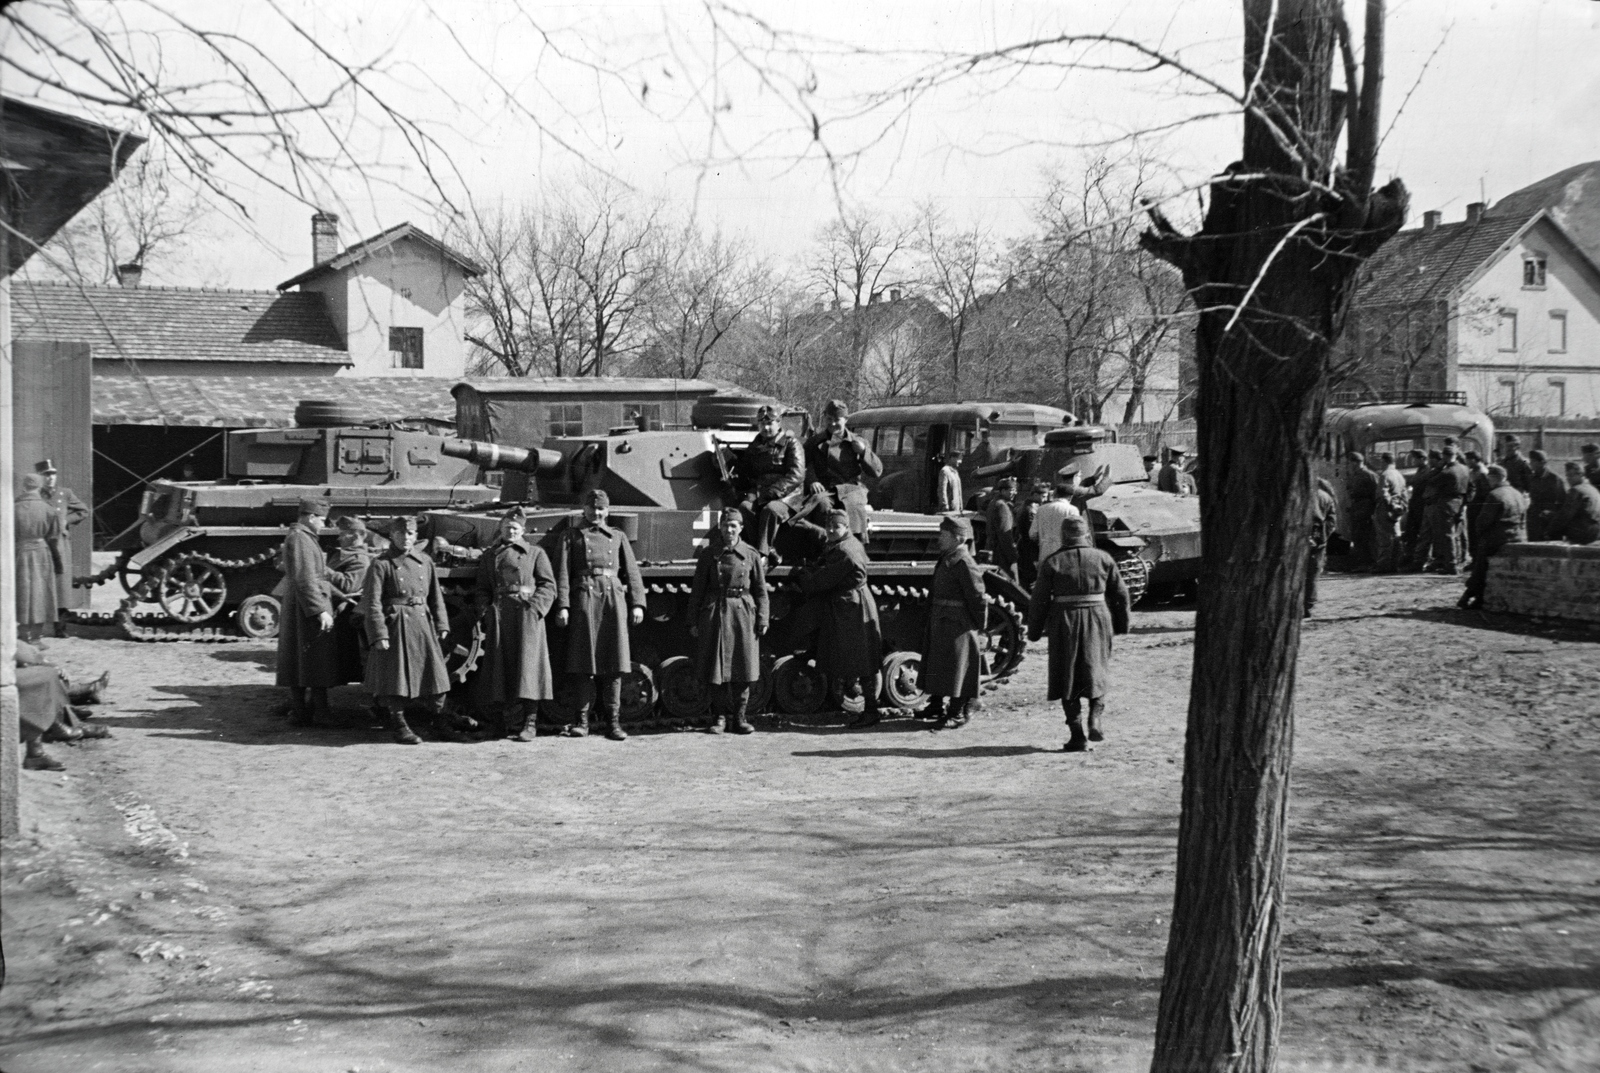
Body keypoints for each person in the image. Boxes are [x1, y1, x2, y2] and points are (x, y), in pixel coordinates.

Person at [1027, 515, 1130, 752]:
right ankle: (1095, 717)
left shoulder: (1053, 562)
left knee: (1067, 675)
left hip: (1065, 620)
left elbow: (1039, 601)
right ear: (1086, 535)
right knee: (1097, 668)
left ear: (1064, 536)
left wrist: (1034, 631)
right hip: (1097, 617)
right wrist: (1122, 624)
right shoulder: (1103, 558)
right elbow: (1121, 594)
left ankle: (1077, 735)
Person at [553, 488, 647, 741]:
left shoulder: (617, 536)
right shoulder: (570, 536)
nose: (596, 513)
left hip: (613, 601)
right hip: (584, 599)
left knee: (614, 664)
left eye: (601, 509)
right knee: (583, 663)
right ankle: (581, 721)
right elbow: (562, 573)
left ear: (607, 510)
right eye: (592, 508)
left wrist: (637, 602)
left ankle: (613, 722)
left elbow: (632, 572)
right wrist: (563, 605)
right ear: (584, 509)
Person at [360, 515, 454, 745]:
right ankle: (399, 723)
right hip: (396, 624)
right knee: (396, 678)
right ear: (392, 535)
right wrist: (378, 633)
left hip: (422, 623)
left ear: (416, 536)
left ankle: (438, 720)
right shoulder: (381, 564)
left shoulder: (424, 561)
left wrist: (442, 624)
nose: (406, 538)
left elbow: (435, 597)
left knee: (437, 677)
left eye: (410, 533)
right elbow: (372, 603)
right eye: (401, 533)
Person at [472, 507, 557, 741]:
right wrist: (485, 611)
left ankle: (530, 723)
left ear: (523, 530)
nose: (511, 531)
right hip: (500, 615)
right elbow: (482, 589)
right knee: (499, 670)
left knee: (529, 669)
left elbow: (548, 585)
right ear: (501, 527)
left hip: (526, 615)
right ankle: (500, 723)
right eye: (507, 526)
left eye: (515, 527)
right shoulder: (491, 556)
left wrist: (536, 609)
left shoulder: (535, 553)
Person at [687, 509, 769, 735]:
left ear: (740, 528)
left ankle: (740, 717)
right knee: (717, 667)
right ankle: (719, 717)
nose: (729, 530)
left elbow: (761, 590)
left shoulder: (750, 554)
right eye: (725, 525)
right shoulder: (710, 554)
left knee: (743, 666)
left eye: (734, 525)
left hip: (743, 612)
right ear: (720, 528)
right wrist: (693, 620)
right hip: (717, 612)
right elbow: (698, 590)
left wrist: (762, 617)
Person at [800, 509, 884, 728]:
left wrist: (804, 575)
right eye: (829, 525)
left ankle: (871, 710)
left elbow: (820, 581)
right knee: (858, 656)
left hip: (852, 607)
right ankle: (868, 707)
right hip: (851, 603)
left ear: (846, 528)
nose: (830, 530)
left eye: (836, 526)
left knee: (860, 658)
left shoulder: (845, 551)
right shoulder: (849, 543)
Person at [275, 498, 341, 726]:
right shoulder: (301, 539)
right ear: (311, 517)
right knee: (313, 660)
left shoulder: (303, 537)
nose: (323, 524)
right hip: (306, 608)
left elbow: (315, 574)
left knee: (303, 661)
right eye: (321, 519)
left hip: (303, 605)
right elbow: (305, 579)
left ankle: (302, 711)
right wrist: (319, 610)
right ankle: (318, 713)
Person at [922, 515, 986, 730]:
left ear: (958, 539)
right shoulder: (947, 558)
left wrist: (978, 627)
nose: (939, 539)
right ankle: (936, 705)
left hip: (958, 623)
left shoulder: (964, 563)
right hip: (942, 618)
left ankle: (956, 712)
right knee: (939, 662)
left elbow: (978, 597)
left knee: (957, 667)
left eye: (943, 535)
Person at [731, 404, 807, 560]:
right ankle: (761, 549)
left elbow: (797, 474)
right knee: (745, 508)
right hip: (761, 493)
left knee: (771, 510)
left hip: (787, 497)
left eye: (769, 423)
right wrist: (729, 461)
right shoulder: (756, 445)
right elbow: (746, 471)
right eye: (762, 424)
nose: (765, 427)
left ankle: (762, 555)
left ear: (778, 423)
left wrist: (775, 491)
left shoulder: (791, 443)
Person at [803, 399, 883, 539]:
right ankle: (823, 548)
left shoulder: (857, 442)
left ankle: (855, 547)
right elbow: (805, 465)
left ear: (845, 419)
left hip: (851, 488)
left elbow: (876, 471)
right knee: (821, 505)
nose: (833, 423)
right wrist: (812, 481)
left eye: (837, 419)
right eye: (829, 419)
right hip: (825, 489)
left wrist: (864, 452)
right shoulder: (814, 442)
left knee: (853, 508)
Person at [1459, 465, 1527, 610]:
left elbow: (1482, 522)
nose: (1488, 480)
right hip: (1517, 536)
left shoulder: (1495, 495)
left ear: (1494, 478)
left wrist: (1480, 535)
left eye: (1490, 477)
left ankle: (1472, 594)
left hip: (1498, 538)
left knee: (1480, 563)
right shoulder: (1517, 493)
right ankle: (1474, 595)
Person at [36, 460, 90, 634]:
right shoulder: (35, 494)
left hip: (60, 543)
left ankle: (60, 628)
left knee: (61, 585)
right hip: (41, 544)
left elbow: (83, 510)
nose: (50, 478)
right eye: (46, 475)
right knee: (41, 581)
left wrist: (66, 521)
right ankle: (38, 626)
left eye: (52, 474)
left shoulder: (65, 493)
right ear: (39, 477)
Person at [325, 515, 373, 685]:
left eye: (342, 534)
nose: (338, 537)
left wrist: (325, 571)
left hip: (343, 614)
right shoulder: (345, 554)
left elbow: (349, 586)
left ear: (355, 536)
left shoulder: (360, 559)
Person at [14, 473, 62, 644]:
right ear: (40, 487)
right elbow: (54, 536)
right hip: (42, 553)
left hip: (19, 553)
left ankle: (22, 633)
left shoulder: (13, 507)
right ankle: (36, 637)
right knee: (41, 593)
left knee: (22, 592)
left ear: (24, 487)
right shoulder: (48, 509)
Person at [1424, 444, 1470, 574]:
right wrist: (1465, 501)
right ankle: (1458, 561)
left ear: (1444, 456)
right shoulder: (1465, 469)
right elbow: (1471, 487)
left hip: (1446, 504)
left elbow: (1429, 480)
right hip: (1460, 503)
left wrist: (1438, 467)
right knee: (1457, 534)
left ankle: (1451, 565)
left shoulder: (1446, 472)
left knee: (1447, 535)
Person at [1033, 477, 1083, 569]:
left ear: (1055, 494)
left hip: (1045, 555)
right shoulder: (1072, 510)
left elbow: (1032, 534)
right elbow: (1077, 534)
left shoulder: (1041, 509)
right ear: (1070, 497)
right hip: (1064, 557)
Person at [1306, 478, 1337, 615]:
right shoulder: (1326, 497)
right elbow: (1332, 521)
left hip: (1304, 537)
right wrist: (1323, 537)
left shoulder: (1305, 494)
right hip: (1318, 538)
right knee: (1313, 572)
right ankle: (1309, 604)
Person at [1344, 451, 1379, 570]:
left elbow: (1377, 492)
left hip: (1366, 507)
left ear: (1357, 463)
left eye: (1351, 462)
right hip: (1357, 507)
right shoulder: (1355, 475)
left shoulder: (1369, 474)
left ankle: (1368, 563)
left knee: (1365, 536)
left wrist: (1374, 510)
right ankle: (1362, 563)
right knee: (1357, 536)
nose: (1350, 465)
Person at [1550, 461, 1600, 545]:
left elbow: (1564, 516)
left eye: (1571, 475)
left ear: (1581, 475)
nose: (1568, 478)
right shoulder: (1592, 489)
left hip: (1582, 534)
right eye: (1567, 475)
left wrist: (1549, 530)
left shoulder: (1576, 490)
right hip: (1595, 532)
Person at [1374, 453, 1408, 572]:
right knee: (1396, 537)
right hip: (1397, 509)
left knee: (1384, 538)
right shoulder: (1399, 475)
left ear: (1384, 461)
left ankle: (1383, 565)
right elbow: (1404, 493)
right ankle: (1395, 565)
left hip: (1386, 509)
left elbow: (1382, 493)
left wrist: (1389, 505)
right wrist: (1400, 507)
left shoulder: (1385, 475)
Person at [1525, 449, 1567, 541]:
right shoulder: (1532, 478)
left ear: (1542, 463)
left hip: (1548, 519)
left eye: (1533, 461)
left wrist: (1552, 514)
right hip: (1534, 518)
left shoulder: (1554, 479)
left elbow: (1562, 501)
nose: (1530, 463)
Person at [984, 477, 1019, 582]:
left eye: (1014, 490)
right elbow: (1005, 535)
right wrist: (1013, 558)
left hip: (992, 549)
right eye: (1011, 490)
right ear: (1003, 491)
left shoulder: (994, 502)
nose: (1014, 493)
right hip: (1001, 554)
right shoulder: (1002, 506)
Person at [1462, 451, 1493, 560]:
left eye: (1468, 460)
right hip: (1473, 506)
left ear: (1474, 460)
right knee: (1472, 533)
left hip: (1479, 507)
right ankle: (1474, 558)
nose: (1466, 462)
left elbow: (1485, 492)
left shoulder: (1482, 472)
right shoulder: (1474, 471)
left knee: (1477, 533)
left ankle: (1478, 559)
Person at [1015, 481, 1046, 589]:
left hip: (1024, 547)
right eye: (1043, 496)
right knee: (1031, 578)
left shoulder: (1026, 505)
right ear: (1035, 495)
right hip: (1030, 549)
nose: (1045, 499)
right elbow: (1032, 534)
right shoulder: (1032, 510)